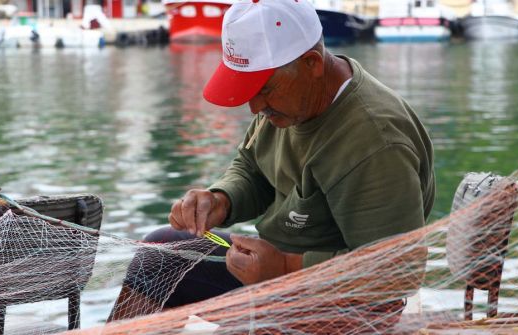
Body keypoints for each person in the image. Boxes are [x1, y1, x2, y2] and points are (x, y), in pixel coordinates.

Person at [109, 0, 434, 321]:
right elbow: (252, 168)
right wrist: (221, 200)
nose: (254, 107)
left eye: (263, 89)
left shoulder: (374, 141)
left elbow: (394, 274)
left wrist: (284, 269)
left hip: (344, 306)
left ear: (312, 63)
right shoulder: (291, 101)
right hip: (277, 274)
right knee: (161, 251)